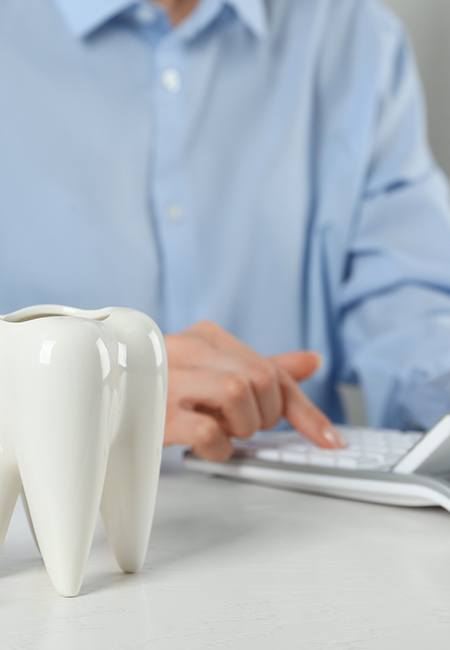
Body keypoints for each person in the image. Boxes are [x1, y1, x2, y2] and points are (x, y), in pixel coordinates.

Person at [2, 0, 450, 462]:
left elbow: (413, 313)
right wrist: (72, 387)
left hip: (302, 519)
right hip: (35, 516)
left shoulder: (355, 37)